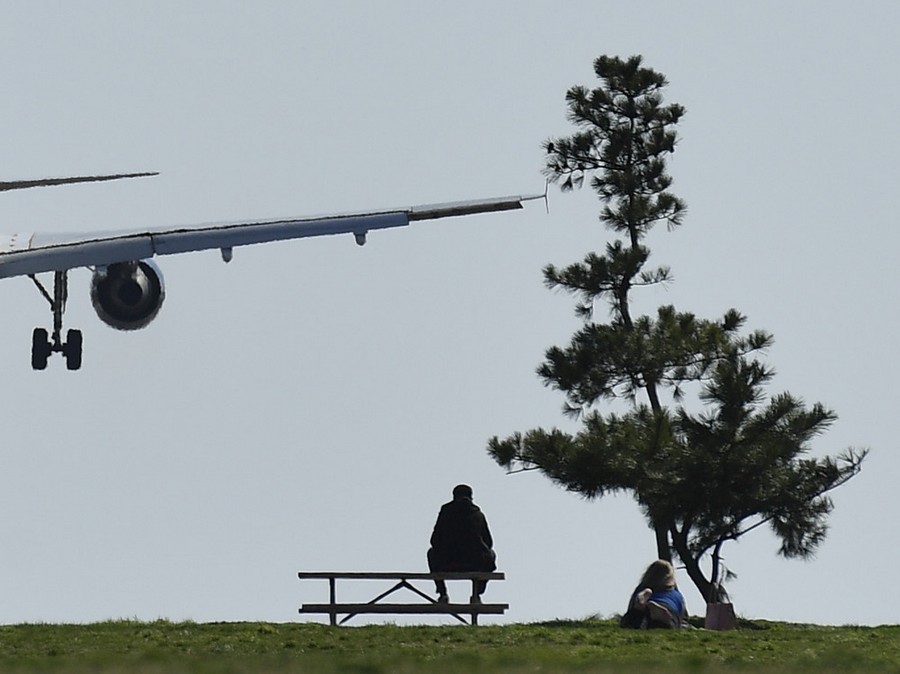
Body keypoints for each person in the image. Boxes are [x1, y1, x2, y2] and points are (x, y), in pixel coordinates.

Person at [427, 484, 496, 603]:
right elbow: (489, 542)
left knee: (431, 553)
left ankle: (443, 594)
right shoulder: (478, 515)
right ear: (471, 497)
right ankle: (476, 594)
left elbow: (434, 540)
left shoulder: (446, 513)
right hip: (474, 564)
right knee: (491, 555)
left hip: (447, 563)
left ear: (454, 497)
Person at [620, 559, 688, 629]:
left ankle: (641, 610)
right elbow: (681, 619)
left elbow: (631, 607)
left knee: (632, 621)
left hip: (645, 606)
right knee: (666, 624)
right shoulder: (676, 594)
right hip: (668, 608)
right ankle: (663, 617)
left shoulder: (641, 588)